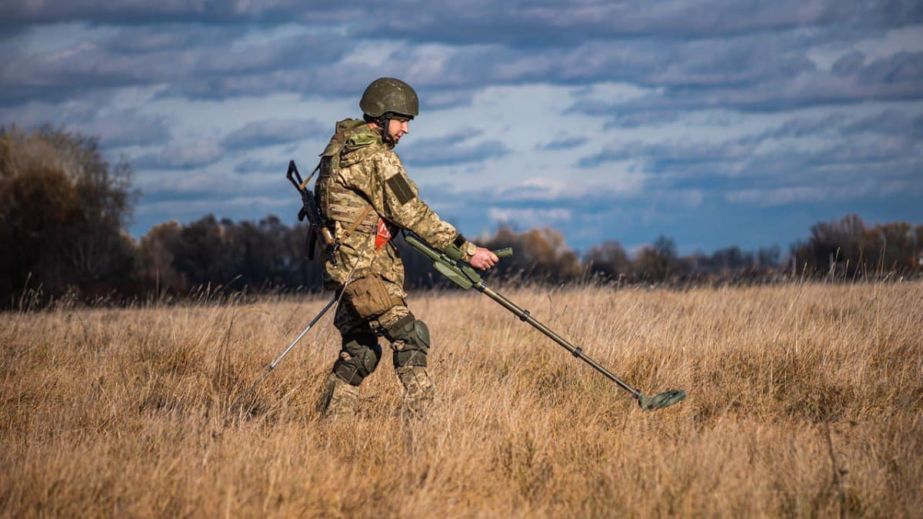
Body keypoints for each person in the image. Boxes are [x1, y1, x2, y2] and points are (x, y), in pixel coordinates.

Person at [315, 77, 498, 419]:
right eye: (402, 121)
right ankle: (428, 420)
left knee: (360, 352)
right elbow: (411, 212)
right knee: (410, 337)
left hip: (344, 272)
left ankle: (331, 425)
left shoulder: (337, 151)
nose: (406, 130)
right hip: (367, 272)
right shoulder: (375, 158)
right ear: (382, 118)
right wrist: (466, 250)